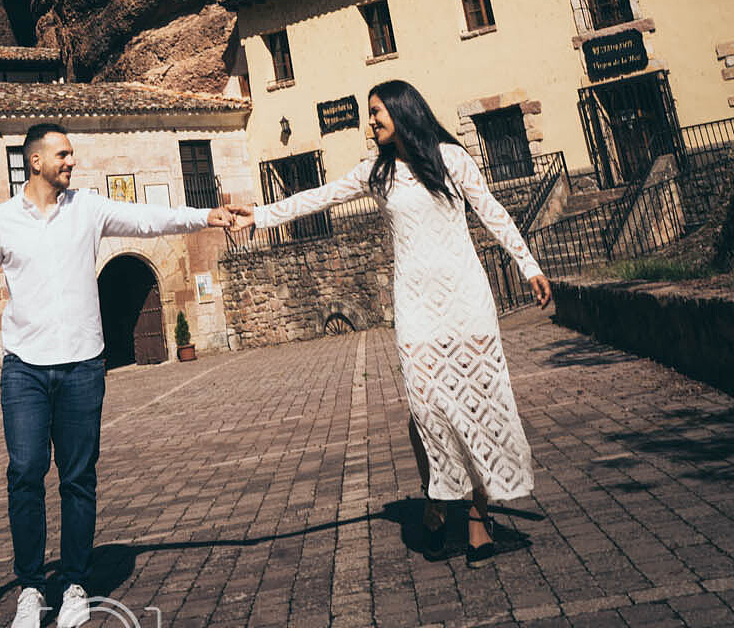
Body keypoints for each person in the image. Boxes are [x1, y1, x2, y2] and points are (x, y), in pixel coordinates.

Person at [0, 122, 234, 628]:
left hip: (81, 365)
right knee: (25, 471)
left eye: (71, 154)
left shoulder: (89, 208)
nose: (71, 161)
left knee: (78, 477)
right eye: (62, 154)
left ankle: (73, 582)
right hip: (25, 368)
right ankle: (31, 587)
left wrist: (204, 215)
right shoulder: (3, 220)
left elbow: (147, 219)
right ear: (34, 161)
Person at [234, 79, 551, 563]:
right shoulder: (376, 173)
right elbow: (318, 198)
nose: (370, 123)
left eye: (377, 113)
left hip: (466, 299)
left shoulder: (452, 159)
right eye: (369, 114)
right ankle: (438, 498)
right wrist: (257, 216)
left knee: (477, 400)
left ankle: (477, 516)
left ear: (403, 112)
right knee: (426, 407)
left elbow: (492, 211)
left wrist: (528, 264)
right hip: (417, 305)